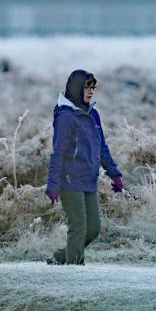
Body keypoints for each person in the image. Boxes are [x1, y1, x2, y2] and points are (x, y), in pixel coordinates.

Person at [45, 69, 123, 265]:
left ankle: (60, 257)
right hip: (70, 180)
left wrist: (115, 175)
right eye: (87, 87)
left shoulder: (93, 115)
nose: (90, 92)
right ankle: (75, 270)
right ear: (76, 88)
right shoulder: (66, 116)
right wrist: (53, 184)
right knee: (78, 227)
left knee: (93, 228)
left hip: (89, 179)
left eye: (93, 88)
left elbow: (101, 148)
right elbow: (58, 151)